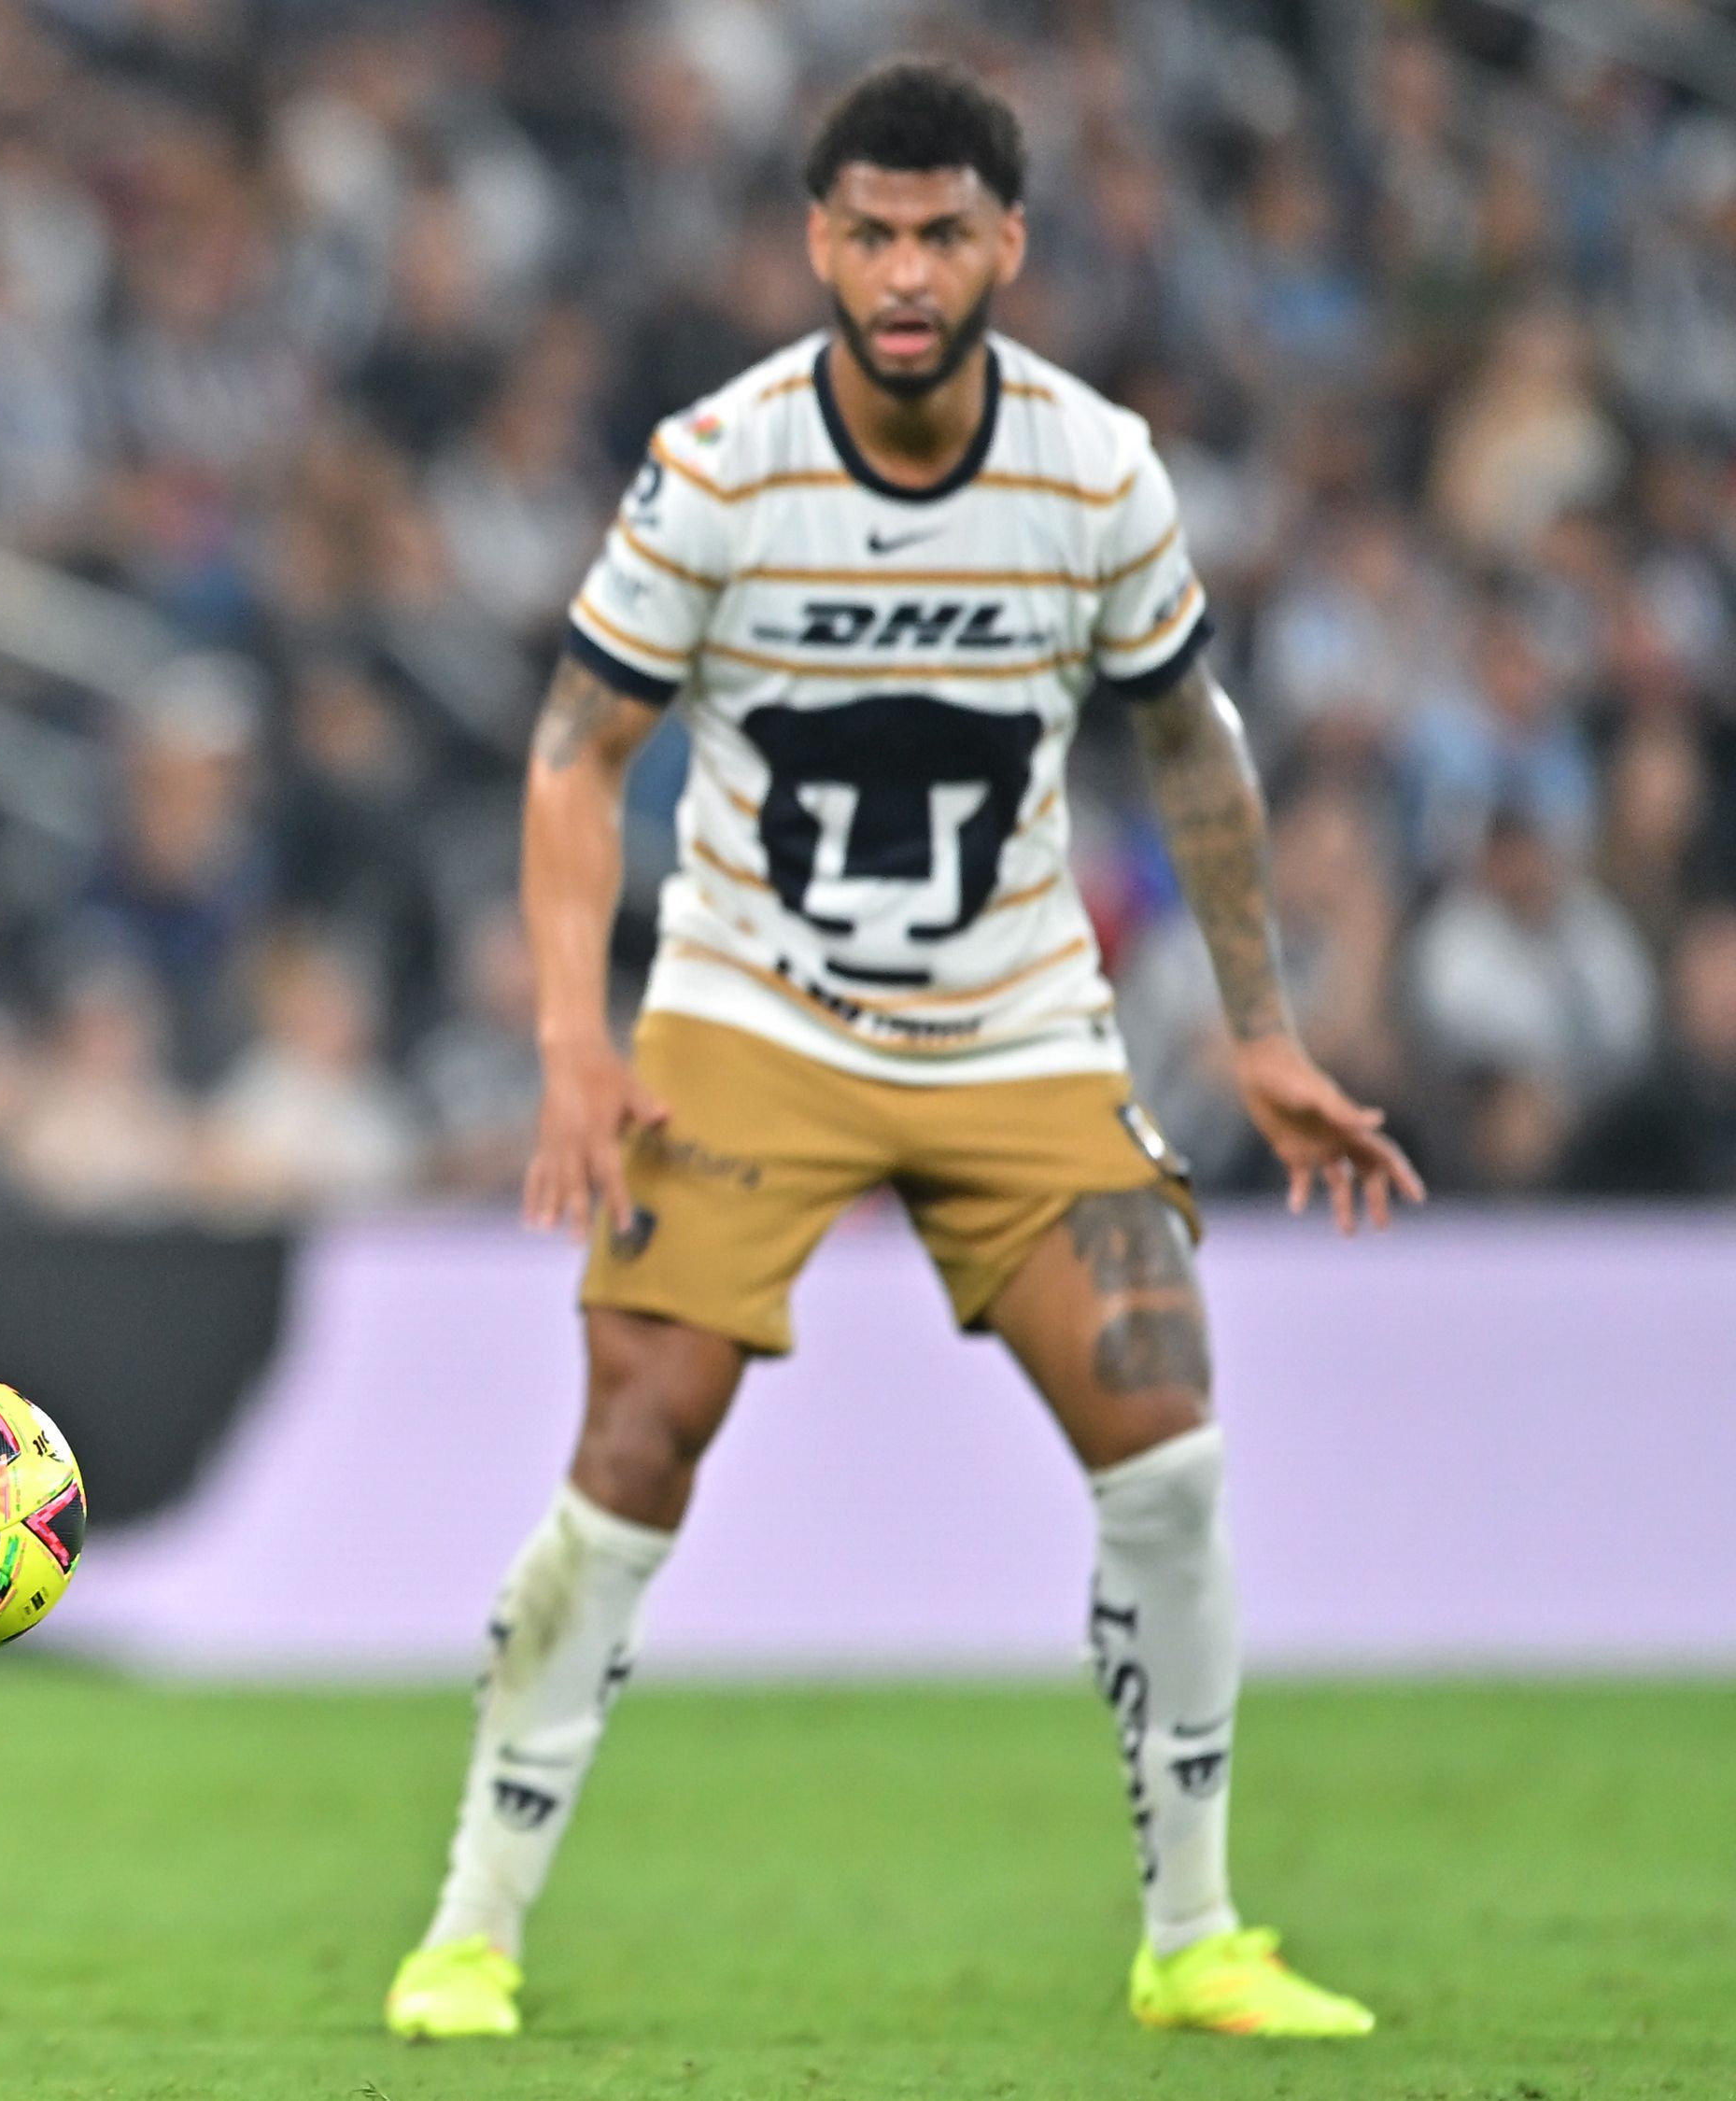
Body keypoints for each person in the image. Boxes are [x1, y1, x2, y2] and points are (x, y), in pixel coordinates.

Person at [383, 62, 1418, 2047]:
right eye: (868, 232)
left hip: (1014, 1024)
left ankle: (1194, 1936)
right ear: (816, 242)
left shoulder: (1094, 469)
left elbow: (1189, 742)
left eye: (943, 233)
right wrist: (571, 1041)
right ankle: (469, 1929)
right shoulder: (719, 465)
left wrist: (1261, 1028)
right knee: (633, 1437)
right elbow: (574, 752)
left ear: (1008, 242)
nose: (905, 272)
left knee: (1168, 1450)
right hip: (748, 1013)